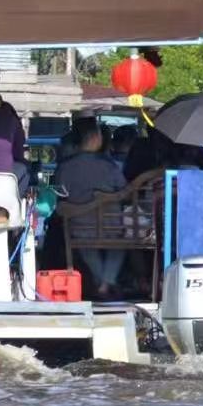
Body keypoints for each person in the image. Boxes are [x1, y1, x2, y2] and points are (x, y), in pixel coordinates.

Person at [54, 117, 133, 297]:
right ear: (95, 138)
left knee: (86, 246)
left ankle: (101, 283)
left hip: (78, 226)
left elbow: (58, 195)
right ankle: (106, 281)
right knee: (119, 245)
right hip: (111, 226)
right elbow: (125, 191)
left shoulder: (64, 167)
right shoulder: (109, 166)